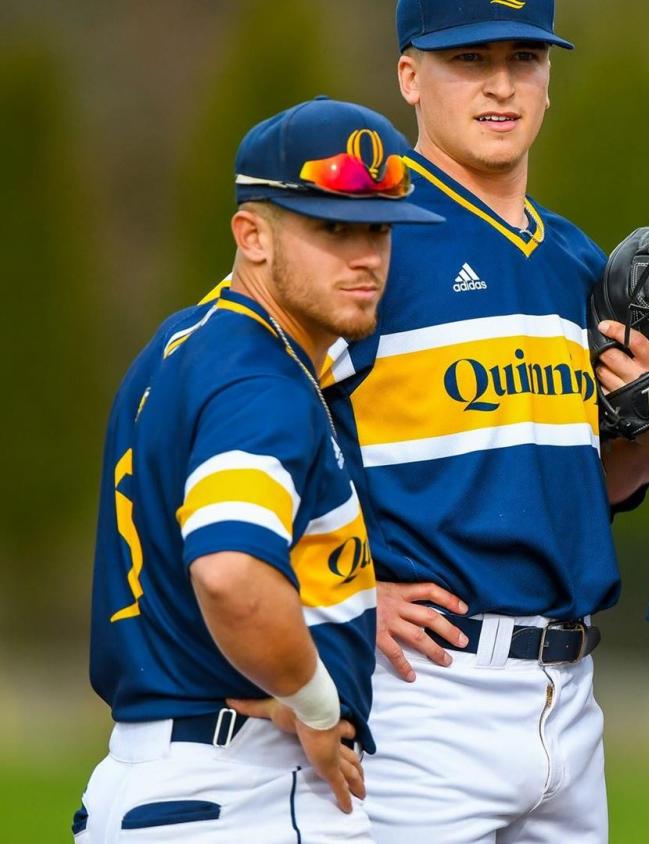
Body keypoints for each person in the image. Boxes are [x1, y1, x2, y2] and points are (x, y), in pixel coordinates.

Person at [320, 2, 649, 841]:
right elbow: (255, 432)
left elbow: (578, 489)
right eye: (469, 59)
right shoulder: (368, 242)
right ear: (410, 76)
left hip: (569, 696)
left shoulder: (576, 262)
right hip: (425, 689)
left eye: (525, 58)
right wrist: (344, 587)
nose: (502, 84)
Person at [78, 97, 442, 842]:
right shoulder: (262, 382)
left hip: (158, 778)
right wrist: (313, 707)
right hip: (238, 794)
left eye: (378, 229)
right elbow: (229, 572)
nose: (365, 256)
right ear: (253, 235)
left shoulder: (189, 342)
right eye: (331, 228)